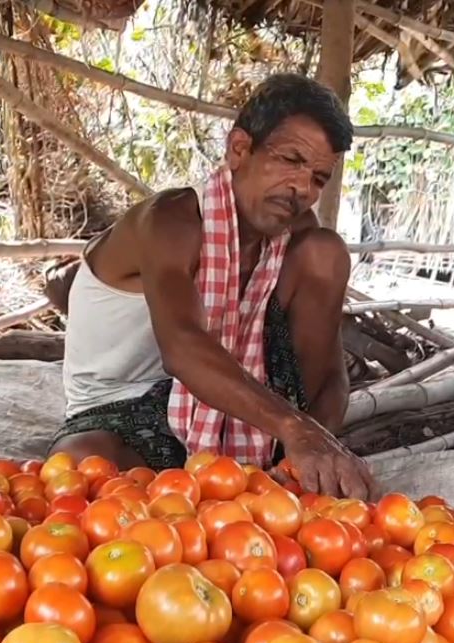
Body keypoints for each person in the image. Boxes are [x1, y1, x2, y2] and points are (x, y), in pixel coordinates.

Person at [49, 73, 377, 501]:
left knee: (324, 252)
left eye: (318, 177)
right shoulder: (170, 222)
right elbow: (182, 349)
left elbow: (330, 375)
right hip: (122, 407)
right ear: (239, 149)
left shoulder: (296, 237)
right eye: (290, 160)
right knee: (82, 470)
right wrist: (293, 428)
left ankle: (280, 463)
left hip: (249, 413)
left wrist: (314, 446)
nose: (301, 188)